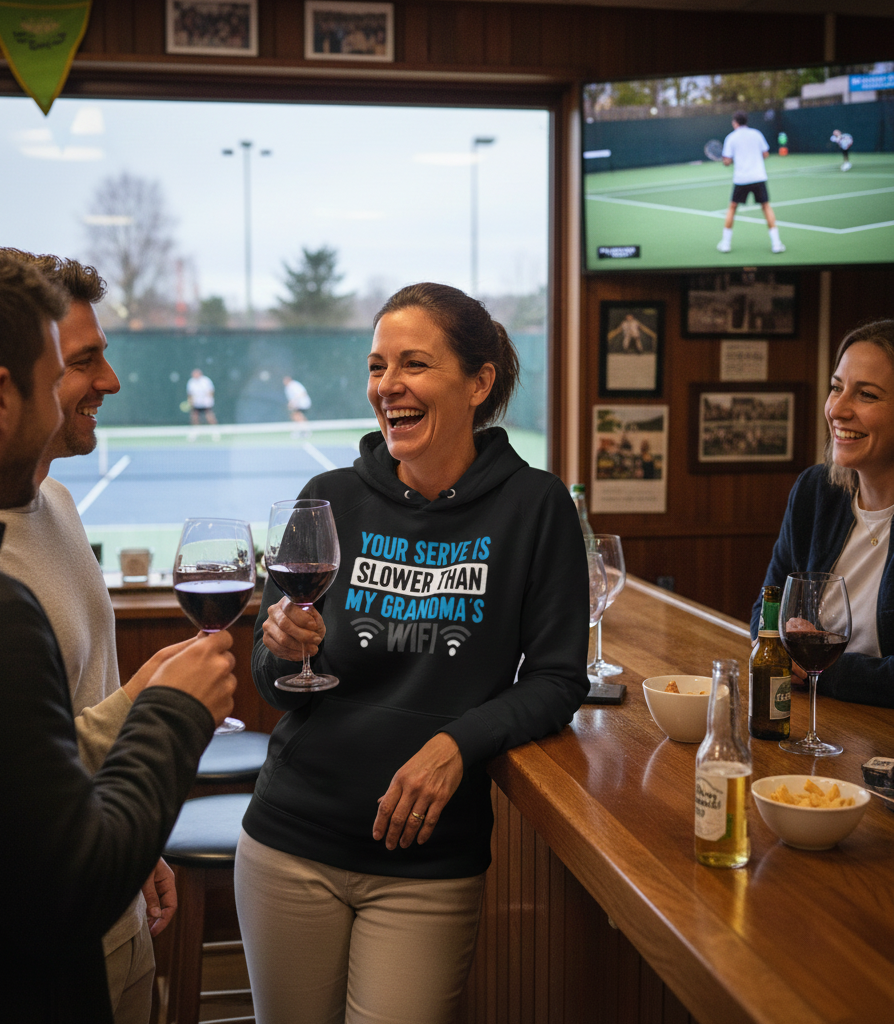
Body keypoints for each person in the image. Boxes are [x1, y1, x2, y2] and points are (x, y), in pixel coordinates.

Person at [236, 282, 589, 1023]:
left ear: (479, 383)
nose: (387, 386)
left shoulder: (536, 506)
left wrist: (458, 744)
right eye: (377, 366)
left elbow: (558, 679)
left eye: (414, 364)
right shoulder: (328, 497)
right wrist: (281, 647)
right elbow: (271, 680)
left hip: (427, 864)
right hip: (289, 840)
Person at [0, 252, 238, 1022]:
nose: (110, 382)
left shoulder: (59, 503)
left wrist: (133, 843)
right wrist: (161, 705)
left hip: (115, 898)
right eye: (75, 364)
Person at [752, 319, 894, 708]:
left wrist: (822, 668)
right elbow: (767, 607)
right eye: (836, 387)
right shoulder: (816, 490)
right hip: (814, 713)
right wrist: (781, 639)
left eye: (866, 394)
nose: (837, 409)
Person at [717, 111, 785, 256]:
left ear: (735, 122)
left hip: (741, 179)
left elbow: (727, 161)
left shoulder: (731, 138)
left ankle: (725, 244)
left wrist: (727, 161)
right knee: (766, 207)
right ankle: (776, 244)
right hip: (758, 177)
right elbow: (765, 154)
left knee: (732, 208)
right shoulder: (757, 134)